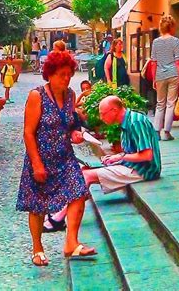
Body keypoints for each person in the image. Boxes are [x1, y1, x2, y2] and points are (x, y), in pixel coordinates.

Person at [16, 48, 94, 265]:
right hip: (40, 158)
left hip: (65, 157)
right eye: (62, 75)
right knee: (37, 205)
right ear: (49, 74)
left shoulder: (70, 96)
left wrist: (75, 133)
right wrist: (36, 163)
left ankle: (71, 243)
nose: (66, 79)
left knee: (79, 191)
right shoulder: (37, 96)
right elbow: (28, 133)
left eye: (69, 74)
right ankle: (37, 248)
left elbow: (69, 124)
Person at [47, 95, 161, 230]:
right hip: (133, 166)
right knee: (83, 170)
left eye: (103, 114)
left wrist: (121, 157)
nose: (101, 118)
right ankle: (62, 210)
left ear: (114, 110)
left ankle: (58, 218)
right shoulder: (127, 121)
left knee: (86, 176)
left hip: (144, 170)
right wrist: (116, 157)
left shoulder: (136, 122)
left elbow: (147, 155)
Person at [151, 15, 179, 141]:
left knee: (160, 104)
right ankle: (167, 132)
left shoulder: (155, 42)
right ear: (172, 27)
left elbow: (154, 62)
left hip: (160, 75)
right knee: (170, 104)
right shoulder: (175, 41)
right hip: (173, 74)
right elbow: (178, 62)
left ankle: (156, 131)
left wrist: (154, 78)